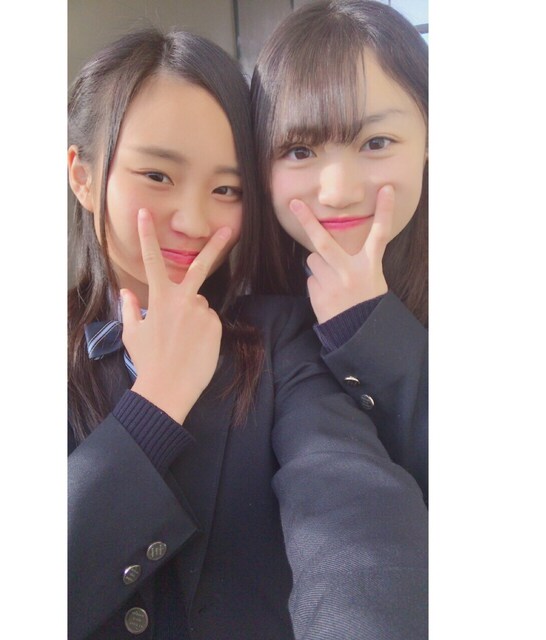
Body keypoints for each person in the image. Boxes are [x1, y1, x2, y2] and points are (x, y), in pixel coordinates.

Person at [67, 28, 427, 640]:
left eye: (226, 189)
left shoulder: (279, 336)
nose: (194, 220)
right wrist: (154, 405)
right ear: (82, 175)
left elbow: (348, 503)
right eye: (157, 175)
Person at [249, 0, 429, 501]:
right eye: (299, 151)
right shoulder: (234, 295)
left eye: (376, 142)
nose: (338, 192)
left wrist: (368, 326)